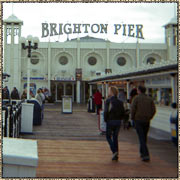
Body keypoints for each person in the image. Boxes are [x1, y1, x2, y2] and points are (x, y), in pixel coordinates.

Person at [131, 85, 156, 162]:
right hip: (147, 120)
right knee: (144, 137)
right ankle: (142, 152)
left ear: (139, 90)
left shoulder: (136, 98)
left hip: (138, 120)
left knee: (141, 137)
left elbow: (133, 109)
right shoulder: (150, 99)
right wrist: (150, 117)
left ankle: (146, 154)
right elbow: (153, 110)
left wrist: (132, 118)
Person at [104, 86, 125, 161]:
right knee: (115, 137)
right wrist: (121, 119)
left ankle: (114, 151)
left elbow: (106, 111)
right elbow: (123, 112)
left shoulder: (108, 101)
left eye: (109, 90)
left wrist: (105, 119)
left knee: (108, 136)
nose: (108, 92)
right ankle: (116, 155)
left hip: (110, 120)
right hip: (118, 121)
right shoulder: (120, 102)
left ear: (111, 92)